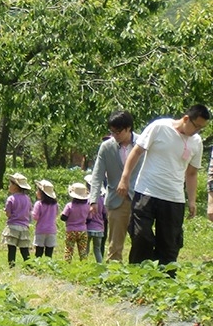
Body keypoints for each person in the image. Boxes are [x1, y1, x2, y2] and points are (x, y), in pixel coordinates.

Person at [117, 105, 209, 265]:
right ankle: (138, 278)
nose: (198, 131)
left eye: (201, 128)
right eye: (197, 126)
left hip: (174, 198)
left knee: (169, 245)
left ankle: (164, 283)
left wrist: (192, 200)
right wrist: (124, 178)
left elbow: (192, 173)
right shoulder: (159, 127)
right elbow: (137, 152)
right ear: (186, 119)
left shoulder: (196, 142)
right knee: (141, 237)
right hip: (146, 192)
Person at [88, 111, 138, 261]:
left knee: (142, 240)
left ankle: (140, 274)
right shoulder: (106, 147)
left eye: (118, 131)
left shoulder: (143, 143)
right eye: (112, 131)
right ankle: (114, 276)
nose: (115, 135)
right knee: (115, 244)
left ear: (128, 128)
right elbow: (97, 174)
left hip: (140, 198)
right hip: (117, 200)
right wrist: (93, 200)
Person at [1, 173, 32, 267]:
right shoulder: (28, 199)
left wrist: (7, 212)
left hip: (13, 226)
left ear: (16, 186)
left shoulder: (11, 199)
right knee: (24, 249)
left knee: (11, 248)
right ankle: (29, 265)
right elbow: (29, 211)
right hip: (24, 227)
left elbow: (8, 213)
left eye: (10, 184)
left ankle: (12, 265)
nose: (9, 186)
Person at [61, 182, 91, 261]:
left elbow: (63, 217)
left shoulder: (69, 205)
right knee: (83, 251)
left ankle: (67, 263)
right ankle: (84, 264)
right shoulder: (87, 206)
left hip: (71, 230)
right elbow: (89, 219)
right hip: (82, 230)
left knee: (69, 249)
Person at [32, 179, 58, 258]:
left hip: (41, 230)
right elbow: (56, 214)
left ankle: (38, 265)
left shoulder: (39, 204)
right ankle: (48, 265)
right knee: (49, 252)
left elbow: (35, 217)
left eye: (38, 190)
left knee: (39, 251)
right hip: (52, 230)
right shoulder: (55, 205)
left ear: (41, 193)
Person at [85, 176, 107, 264]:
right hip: (99, 228)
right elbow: (105, 213)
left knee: (85, 248)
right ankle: (100, 264)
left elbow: (86, 213)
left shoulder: (88, 199)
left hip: (88, 227)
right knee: (97, 249)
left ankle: (84, 264)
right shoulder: (102, 199)